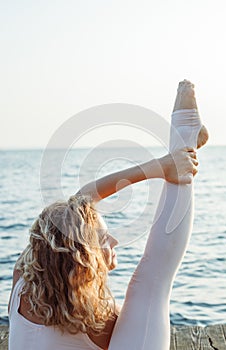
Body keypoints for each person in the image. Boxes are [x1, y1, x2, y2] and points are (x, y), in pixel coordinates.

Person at [8, 80, 208, 350]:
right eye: (102, 237)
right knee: (150, 282)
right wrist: (162, 166)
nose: (113, 240)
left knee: (149, 283)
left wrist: (162, 166)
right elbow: (82, 200)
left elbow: (78, 204)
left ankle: (184, 138)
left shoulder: (22, 281)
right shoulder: (95, 320)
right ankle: (184, 136)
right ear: (83, 258)